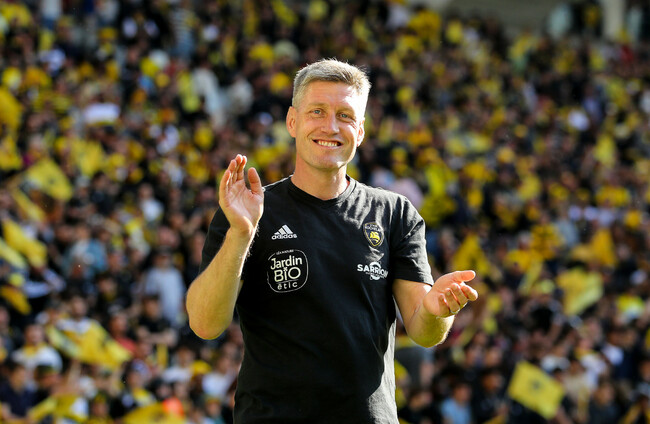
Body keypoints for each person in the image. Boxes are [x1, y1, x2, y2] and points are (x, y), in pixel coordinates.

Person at [186, 59, 478, 423]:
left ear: (361, 130)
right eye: (317, 112)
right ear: (292, 122)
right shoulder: (248, 211)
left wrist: (437, 310)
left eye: (345, 116)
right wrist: (241, 235)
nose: (331, 126)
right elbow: (205, 324)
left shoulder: (394, 213)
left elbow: (423, 331)